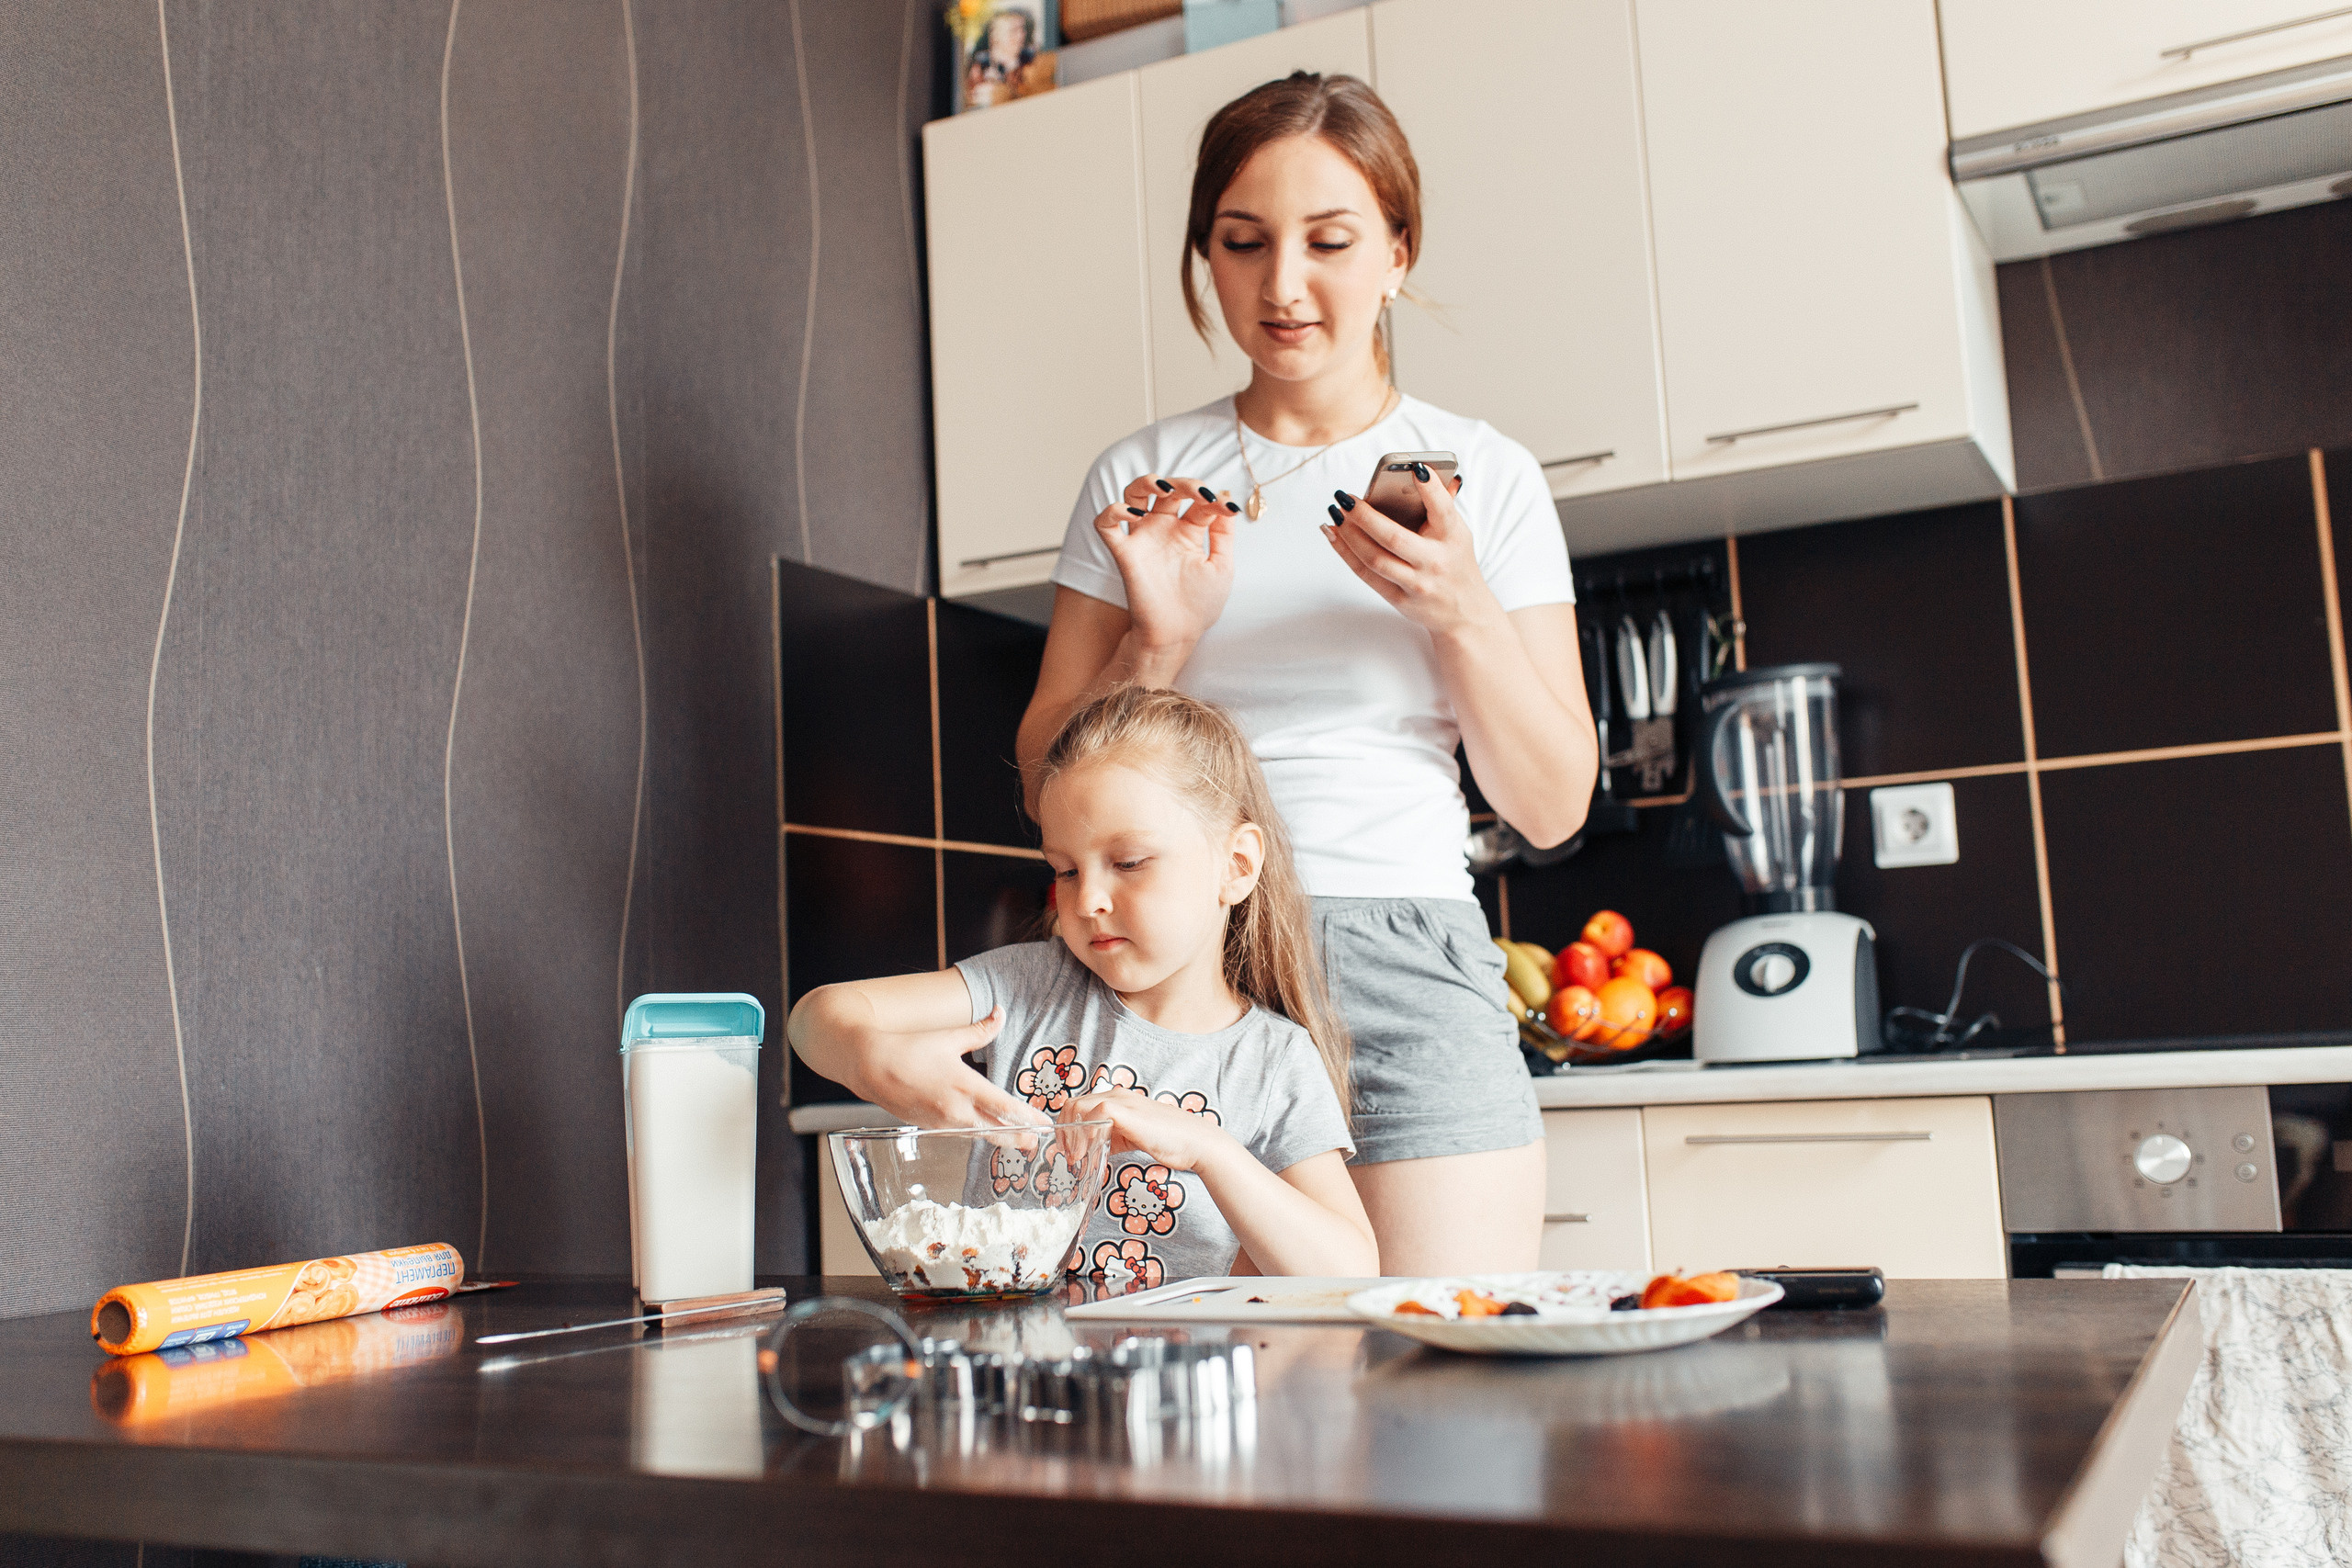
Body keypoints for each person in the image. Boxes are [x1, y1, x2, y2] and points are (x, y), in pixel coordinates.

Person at [1014, 72, 1600, 1274]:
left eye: (1330, 242)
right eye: (1244, 243)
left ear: (1397, 252)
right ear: (1207, 258)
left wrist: (1462, 609)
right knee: (1221, 1406)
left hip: (1407, 955)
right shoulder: (1147, 477)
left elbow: (1551, 804)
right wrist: (1158, 643)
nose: (1283, 286)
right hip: (1192, 963)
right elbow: (1047, 781)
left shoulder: (1484, 479)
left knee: (1448, 1391)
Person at [789, 685, 1376, 1290]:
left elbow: (1350, 1272)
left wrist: (1210, 1148)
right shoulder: (1025, 987)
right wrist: (871, 1057)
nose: (1087, 899)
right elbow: (813, 1019)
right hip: (1007, 1376)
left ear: (1237, 865)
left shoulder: (1275, 1061)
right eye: (1065, 869)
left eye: (1128, 862)